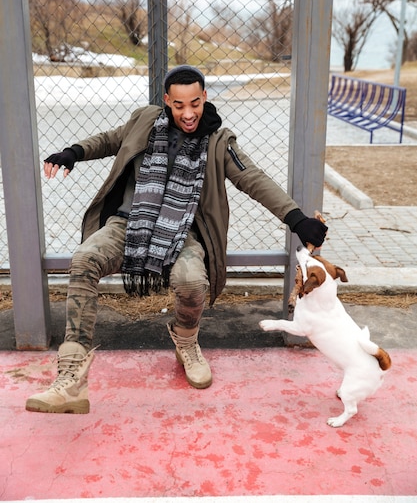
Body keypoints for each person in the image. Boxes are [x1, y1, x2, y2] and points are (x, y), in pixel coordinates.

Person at [26, 65, 327, 414]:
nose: (188, 113)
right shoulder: (145, 120)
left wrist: (296, 219)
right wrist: (74, 152)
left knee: (190, 280)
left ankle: (186, 341)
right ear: (167, 101)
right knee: (84, 259)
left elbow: (253, 179)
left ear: (205, 98)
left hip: (182, 233)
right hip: (129, 224)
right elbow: (110, 139)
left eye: (195, 103)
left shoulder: (218, 140)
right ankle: (71, 379)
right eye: (180, 104)